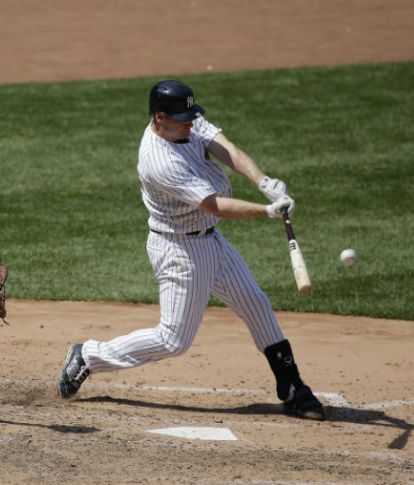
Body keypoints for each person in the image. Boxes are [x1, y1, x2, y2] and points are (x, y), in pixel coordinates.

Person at [57, 80, 325, 420]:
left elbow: (225, 147)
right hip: (179, 249)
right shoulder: (159, 161)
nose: (190, 123)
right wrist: (266, 210)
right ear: (159, 118)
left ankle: (292, 388)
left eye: (191, 115)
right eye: (182, 118)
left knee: (255, 304)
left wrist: (264, 182)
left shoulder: (186, 122)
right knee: (173, 340)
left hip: (210, 240)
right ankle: (89, 356)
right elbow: (214, 205)